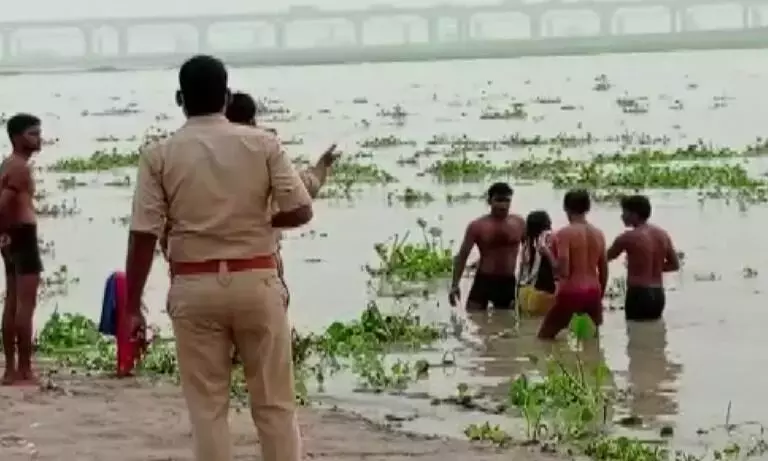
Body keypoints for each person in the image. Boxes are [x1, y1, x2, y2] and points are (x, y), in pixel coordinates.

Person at [126, 55, 312, 461]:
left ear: (180, 99)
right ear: (226, 97)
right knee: (275, 405)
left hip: (194, 286)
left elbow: (144, 234)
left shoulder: (158, 155)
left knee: (207, 409)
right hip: (256, 280)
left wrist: (132, 305)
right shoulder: (263, 144)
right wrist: (262, 220)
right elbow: (301, 210)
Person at [224, 90, 339, 307]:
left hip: (205, 276)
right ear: (253, 121)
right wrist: (322, 166)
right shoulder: (265, 149)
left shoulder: (197, 155)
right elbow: (303, 195)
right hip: (259, 270)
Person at [0, 113, 44, 386]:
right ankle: (24, 369)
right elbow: (3, 202)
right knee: (25, 304)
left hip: (11, 235)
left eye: (39, 133)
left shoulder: (8, 164)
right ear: (17, 137)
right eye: (33, 134)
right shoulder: (19, 168)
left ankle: (10, 369)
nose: (39, 139)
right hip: (22, 235)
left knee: (12, 301)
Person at [538, 189, 607, 340]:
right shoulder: (599, 234)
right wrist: (599, 296)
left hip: (571, 292)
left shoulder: (564, 234)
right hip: (594, 291)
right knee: (592, 341)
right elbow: (604, 269)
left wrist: (546, 252)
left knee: (544, 338)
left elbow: (562, 271)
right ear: (588, 208)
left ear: (565, 207)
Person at [449, 182, 525, 311]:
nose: (503, 205)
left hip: (508, 281)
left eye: (507, 200)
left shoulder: (519, 223)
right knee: (473, 316)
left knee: (507, 320)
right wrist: (455, 285)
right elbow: (462, 256)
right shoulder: (477, 226)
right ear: (489, 201)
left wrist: (527, 282)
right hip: (484, 280)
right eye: (498, 200)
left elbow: (530, 252)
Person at [606, 194, 680, 321]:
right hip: (658, 294)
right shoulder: (662, 235)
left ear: (634, 214)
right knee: (654, 331)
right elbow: (675, 265)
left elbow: (604, 258)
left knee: (635, 330)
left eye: (625, 212)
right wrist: (655, 267)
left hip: (638, 294)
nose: (622, 216)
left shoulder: (628, 237)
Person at [517, 210, 556, 317]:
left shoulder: (527, 243)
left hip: (525, 292)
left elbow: (521, 270)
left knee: (527, 323)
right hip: (544, 291)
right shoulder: (549, 239)